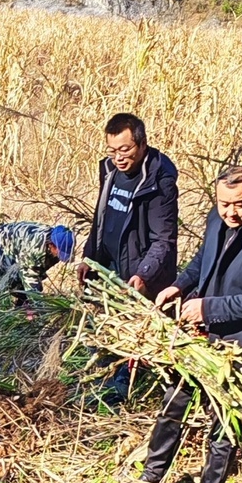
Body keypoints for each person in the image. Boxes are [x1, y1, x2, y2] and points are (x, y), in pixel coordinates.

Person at [115, 166, 242, 483]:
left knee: (223, 427)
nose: (232, 213)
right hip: (202, 334)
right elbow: (203, 260)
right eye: (225, 204)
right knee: (171, 405)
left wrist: (206, 307)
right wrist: (180, 286)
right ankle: (149, 481)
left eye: (241, 204)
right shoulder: (217, 218)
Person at [80, 113, 180, 402]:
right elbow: (100, 219)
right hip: (107, 265)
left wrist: (144, 274)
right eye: (112, 150)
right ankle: (103, 379)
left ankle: (120, 394)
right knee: (100, 327)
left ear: (142, 143)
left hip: (137, 271)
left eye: (125, 150)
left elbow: (164, 240)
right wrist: (89, 256)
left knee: (130, 333)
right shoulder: (109, 169)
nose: (119, 157)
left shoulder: (159, 181)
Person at [0, 219, 75, 305]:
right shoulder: (35, 248)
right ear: (51, 245)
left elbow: (38, 272)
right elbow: (31, 280)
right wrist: (39, 306)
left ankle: (21, 309)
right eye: (60, 252)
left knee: (22, 289)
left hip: (18, 249)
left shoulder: (57, 243)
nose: (60, 257)